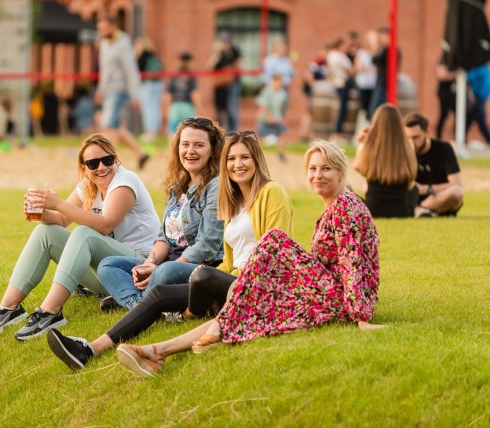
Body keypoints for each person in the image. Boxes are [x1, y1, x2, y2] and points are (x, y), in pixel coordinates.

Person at [115, 139, 382, 378]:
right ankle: (156, 351)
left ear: (341, 172)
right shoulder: (332, 208)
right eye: (313, 169)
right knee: (245, 305)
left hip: (334, 295)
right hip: (320, 289)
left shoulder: (346, 206)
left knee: (272, 243)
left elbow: (353, 263)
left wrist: (360, 317)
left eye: (326, 169)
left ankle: (183, 340)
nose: (318, 175)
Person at [46, 130, 294, 370]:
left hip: (252, 281)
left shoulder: (270, 192)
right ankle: (89, 349)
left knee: (190, 276)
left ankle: (151, 309)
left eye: (244, 158)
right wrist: (153, 261)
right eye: (231, 159)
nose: (237, 164)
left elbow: (272, 251)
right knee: (145, 284)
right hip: (224, 279)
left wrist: (187, 273)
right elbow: (171, 238)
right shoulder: (232, 200)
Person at [0, 134, 160, 340]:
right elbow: (61, 220)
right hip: (107, 273)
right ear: (83, 167)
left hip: (136, 269)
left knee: (84, 234)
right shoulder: (88, 185)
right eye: (92, 163)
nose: (101, 167)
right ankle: (8, 308)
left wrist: (58, 203)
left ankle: (50, 312)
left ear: (116, 160)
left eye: (107, 160)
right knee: (44, 232)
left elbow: (105, 224)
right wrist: (41, 211)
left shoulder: (125, 181)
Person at [97, 117, 225, 310]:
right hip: (166, 262)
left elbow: (207, 244)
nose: (190, 151)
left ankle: (139, 303)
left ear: (212, 150)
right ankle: (141, 304)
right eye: (185, 145)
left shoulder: (215, 186)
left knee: (166, 271)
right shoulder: (178, 188)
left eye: (199, 145)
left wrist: (160, 269)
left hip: (198, 266)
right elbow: (163, 237)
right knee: (107, 265)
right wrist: (149, 263)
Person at [95, 16, 149, 169]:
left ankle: (109, 161)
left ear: (113, 26)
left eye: (104, 28)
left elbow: (131, 70)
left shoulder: (123, 42)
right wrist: (101, 89)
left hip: (120, 90)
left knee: (108, 125)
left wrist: (135, 95)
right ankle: (141, 153)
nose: (101, 31)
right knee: (116, 127)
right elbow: (104, 70)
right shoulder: (105, 43)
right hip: (109, 90)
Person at [353, 103, 417, 218]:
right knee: (415, 188)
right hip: (402, 211)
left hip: (372, 209)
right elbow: (411, 179)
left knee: (348, 190)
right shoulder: (408, 147)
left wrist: (362, 144)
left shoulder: (368, 147)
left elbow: (358, 167)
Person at [403, 113, 463, 217]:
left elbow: (456, 184)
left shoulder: (444, 149)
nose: (411, 142)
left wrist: (426, 189)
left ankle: (420, 210)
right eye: (408, 138)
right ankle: (422, 212)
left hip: (438, 197)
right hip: (411, 199)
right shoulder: (403, 151)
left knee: (456, 192)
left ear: (427, 132)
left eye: (416, 137)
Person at [466, 63, 490, 148]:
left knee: (471, 118)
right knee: (480, 119)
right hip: (476, 98)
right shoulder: (475, 66)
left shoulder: (485, 66)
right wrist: (471, 96)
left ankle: (462, 137)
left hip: (482, 99)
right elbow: (468, 80)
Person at [135, 36, 164, 142]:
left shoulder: (142, 57)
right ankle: (155, 131)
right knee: (156, 109)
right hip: (158, 85)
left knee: (148, 109)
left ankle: (150, 132)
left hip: (147, 85)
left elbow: (137, 72)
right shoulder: (154, 56)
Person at [369, 27, 401, 118]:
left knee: (376, 110)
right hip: (386, 83)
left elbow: (375, 60)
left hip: (384, 83)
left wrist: (374, 47)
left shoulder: (389, 49)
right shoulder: (393, 49)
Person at [165, 52, 201, 134]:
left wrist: (166, 109)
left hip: (175, 106)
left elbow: (168, 95)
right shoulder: (191, 76)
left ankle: (172, 146)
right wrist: (200, 108)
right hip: (187, 106)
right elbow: (194, 94)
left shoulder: (173, 76)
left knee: (173, 131)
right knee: (189, 130)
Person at [326, 37, 353, 143]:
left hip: (335, 84)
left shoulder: (330, 55)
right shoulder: (340, 56)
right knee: (342, 110)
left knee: (338, 109)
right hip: (342, 84)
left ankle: (336, 134)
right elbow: (350, 69)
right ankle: (337, 134)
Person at [256, 74, 288, 162]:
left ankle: (281, 154)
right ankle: (257, 155)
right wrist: (268, 116)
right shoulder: (267, 91)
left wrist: (281, 118)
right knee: (259, 136)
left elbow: (282, 107)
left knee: (283, 134)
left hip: (277, 117)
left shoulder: (283, 93)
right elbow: (263, 105)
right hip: (265, 118)